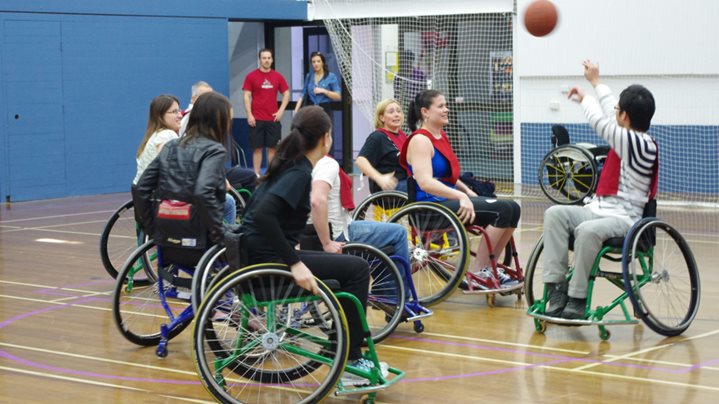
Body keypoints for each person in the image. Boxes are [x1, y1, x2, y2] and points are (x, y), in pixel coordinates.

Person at [239, 106, 388, 386]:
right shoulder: (298, 173)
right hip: (271, 266)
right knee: (357, 269)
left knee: (346, 271)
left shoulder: (288, 166)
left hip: (259, 258)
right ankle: (351, 357)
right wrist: (295, 263)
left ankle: (341, 341)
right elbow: (262, 215)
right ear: (325, 138)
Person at [543, 60, 658, 320]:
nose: (615, 111)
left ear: (625, 116)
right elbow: (610, 111)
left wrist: (586, 101)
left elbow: (602, 122)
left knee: (586, 231)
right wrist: (593, 85)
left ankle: (578, 298)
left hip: (624, 219)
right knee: (555, 214)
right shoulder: (629, 134)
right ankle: (556, 287)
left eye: (619, 110)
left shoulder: (638, 143)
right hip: (599, 209)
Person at [400, 89, 521, 288]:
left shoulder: (440, 136)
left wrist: (470, 194)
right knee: (504, 209)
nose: (446, 109)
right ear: (425, 112)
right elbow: (426, 182)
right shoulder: (420, 140)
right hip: (431, 206)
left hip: (448, 199)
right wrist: (461, 196)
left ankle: (489, 268)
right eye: (441, 106)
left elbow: (451, 177)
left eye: (445, 105)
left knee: (513, 208)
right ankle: (478, 272)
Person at [133, 91, 232, 255]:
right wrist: (219, 235)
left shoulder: (171, 145)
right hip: (195, 235)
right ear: (218, 120)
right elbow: (202, 192)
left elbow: (141, 186)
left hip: (166, 233)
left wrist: (152, 229)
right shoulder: (213, 150)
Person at [304, 154, 410, 269]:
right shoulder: (326, 164)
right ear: (325, 138)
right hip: (336, 234)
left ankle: (385, 284)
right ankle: (398, 287)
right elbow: (317, 201)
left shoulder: (295, 162)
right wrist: (327, 242)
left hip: (309, 233)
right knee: (398, 233)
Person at [243, 48, 290, 176]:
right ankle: (256, 175)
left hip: (273, 119)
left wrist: (281, 111)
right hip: (256, 119)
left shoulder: (278, 76)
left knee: (272, 149)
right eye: (264, 58)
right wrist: (249, 115)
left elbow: (286, 93)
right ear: (260, 60)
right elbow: (246, 96)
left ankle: (271, 174)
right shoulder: (251, 76)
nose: (266, 60)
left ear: (272, 60)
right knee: (257, 149)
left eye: (269, 58)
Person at [356, 99, 409, 194]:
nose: (396, 114)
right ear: (382, 118)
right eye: (391, 112)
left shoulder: (403, 136)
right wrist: (379, 177)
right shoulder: (377, 137)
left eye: (398, 111)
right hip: (390, 188)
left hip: (405, 182)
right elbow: (360, 160)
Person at [133, 94, 181, 185]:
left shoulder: (155, 135)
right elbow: (169, 169)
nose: (180, 115)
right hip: (153, 195)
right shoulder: (167, 135)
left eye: (179, 110)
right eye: (174, 111)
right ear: (160, 116)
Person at [293, 51, 341, 117]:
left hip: (324, 109)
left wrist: (324, 91)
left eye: (318, 61)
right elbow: (302, 94)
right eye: (313, 62)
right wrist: (295, 111)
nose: (316, 64)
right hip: (311, 109)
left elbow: (338, 96)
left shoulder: (331, 76)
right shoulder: (309, 76)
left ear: (323, 62)